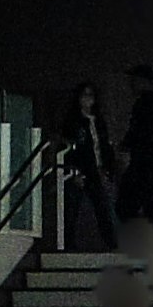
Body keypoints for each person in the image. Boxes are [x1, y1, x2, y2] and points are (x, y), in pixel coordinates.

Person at [58, 83, 123, 251]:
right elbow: (69, 148)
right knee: (72, 209)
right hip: (81, 170)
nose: (87, 99)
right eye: (84, 95)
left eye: (90, 95)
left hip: (97, 169)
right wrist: (74, 171)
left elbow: (103, 146)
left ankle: (112, 243)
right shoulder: (74, 122)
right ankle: (67, 244)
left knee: (103, 207)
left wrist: (108, 167)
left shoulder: (98, 121)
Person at [116, 66, 153, 233]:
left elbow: (138, 132)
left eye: (134, 80)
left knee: (127, 204)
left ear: (142, 81)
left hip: (146, 165)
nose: (131, 84)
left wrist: (126, 145)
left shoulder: (145, 103)